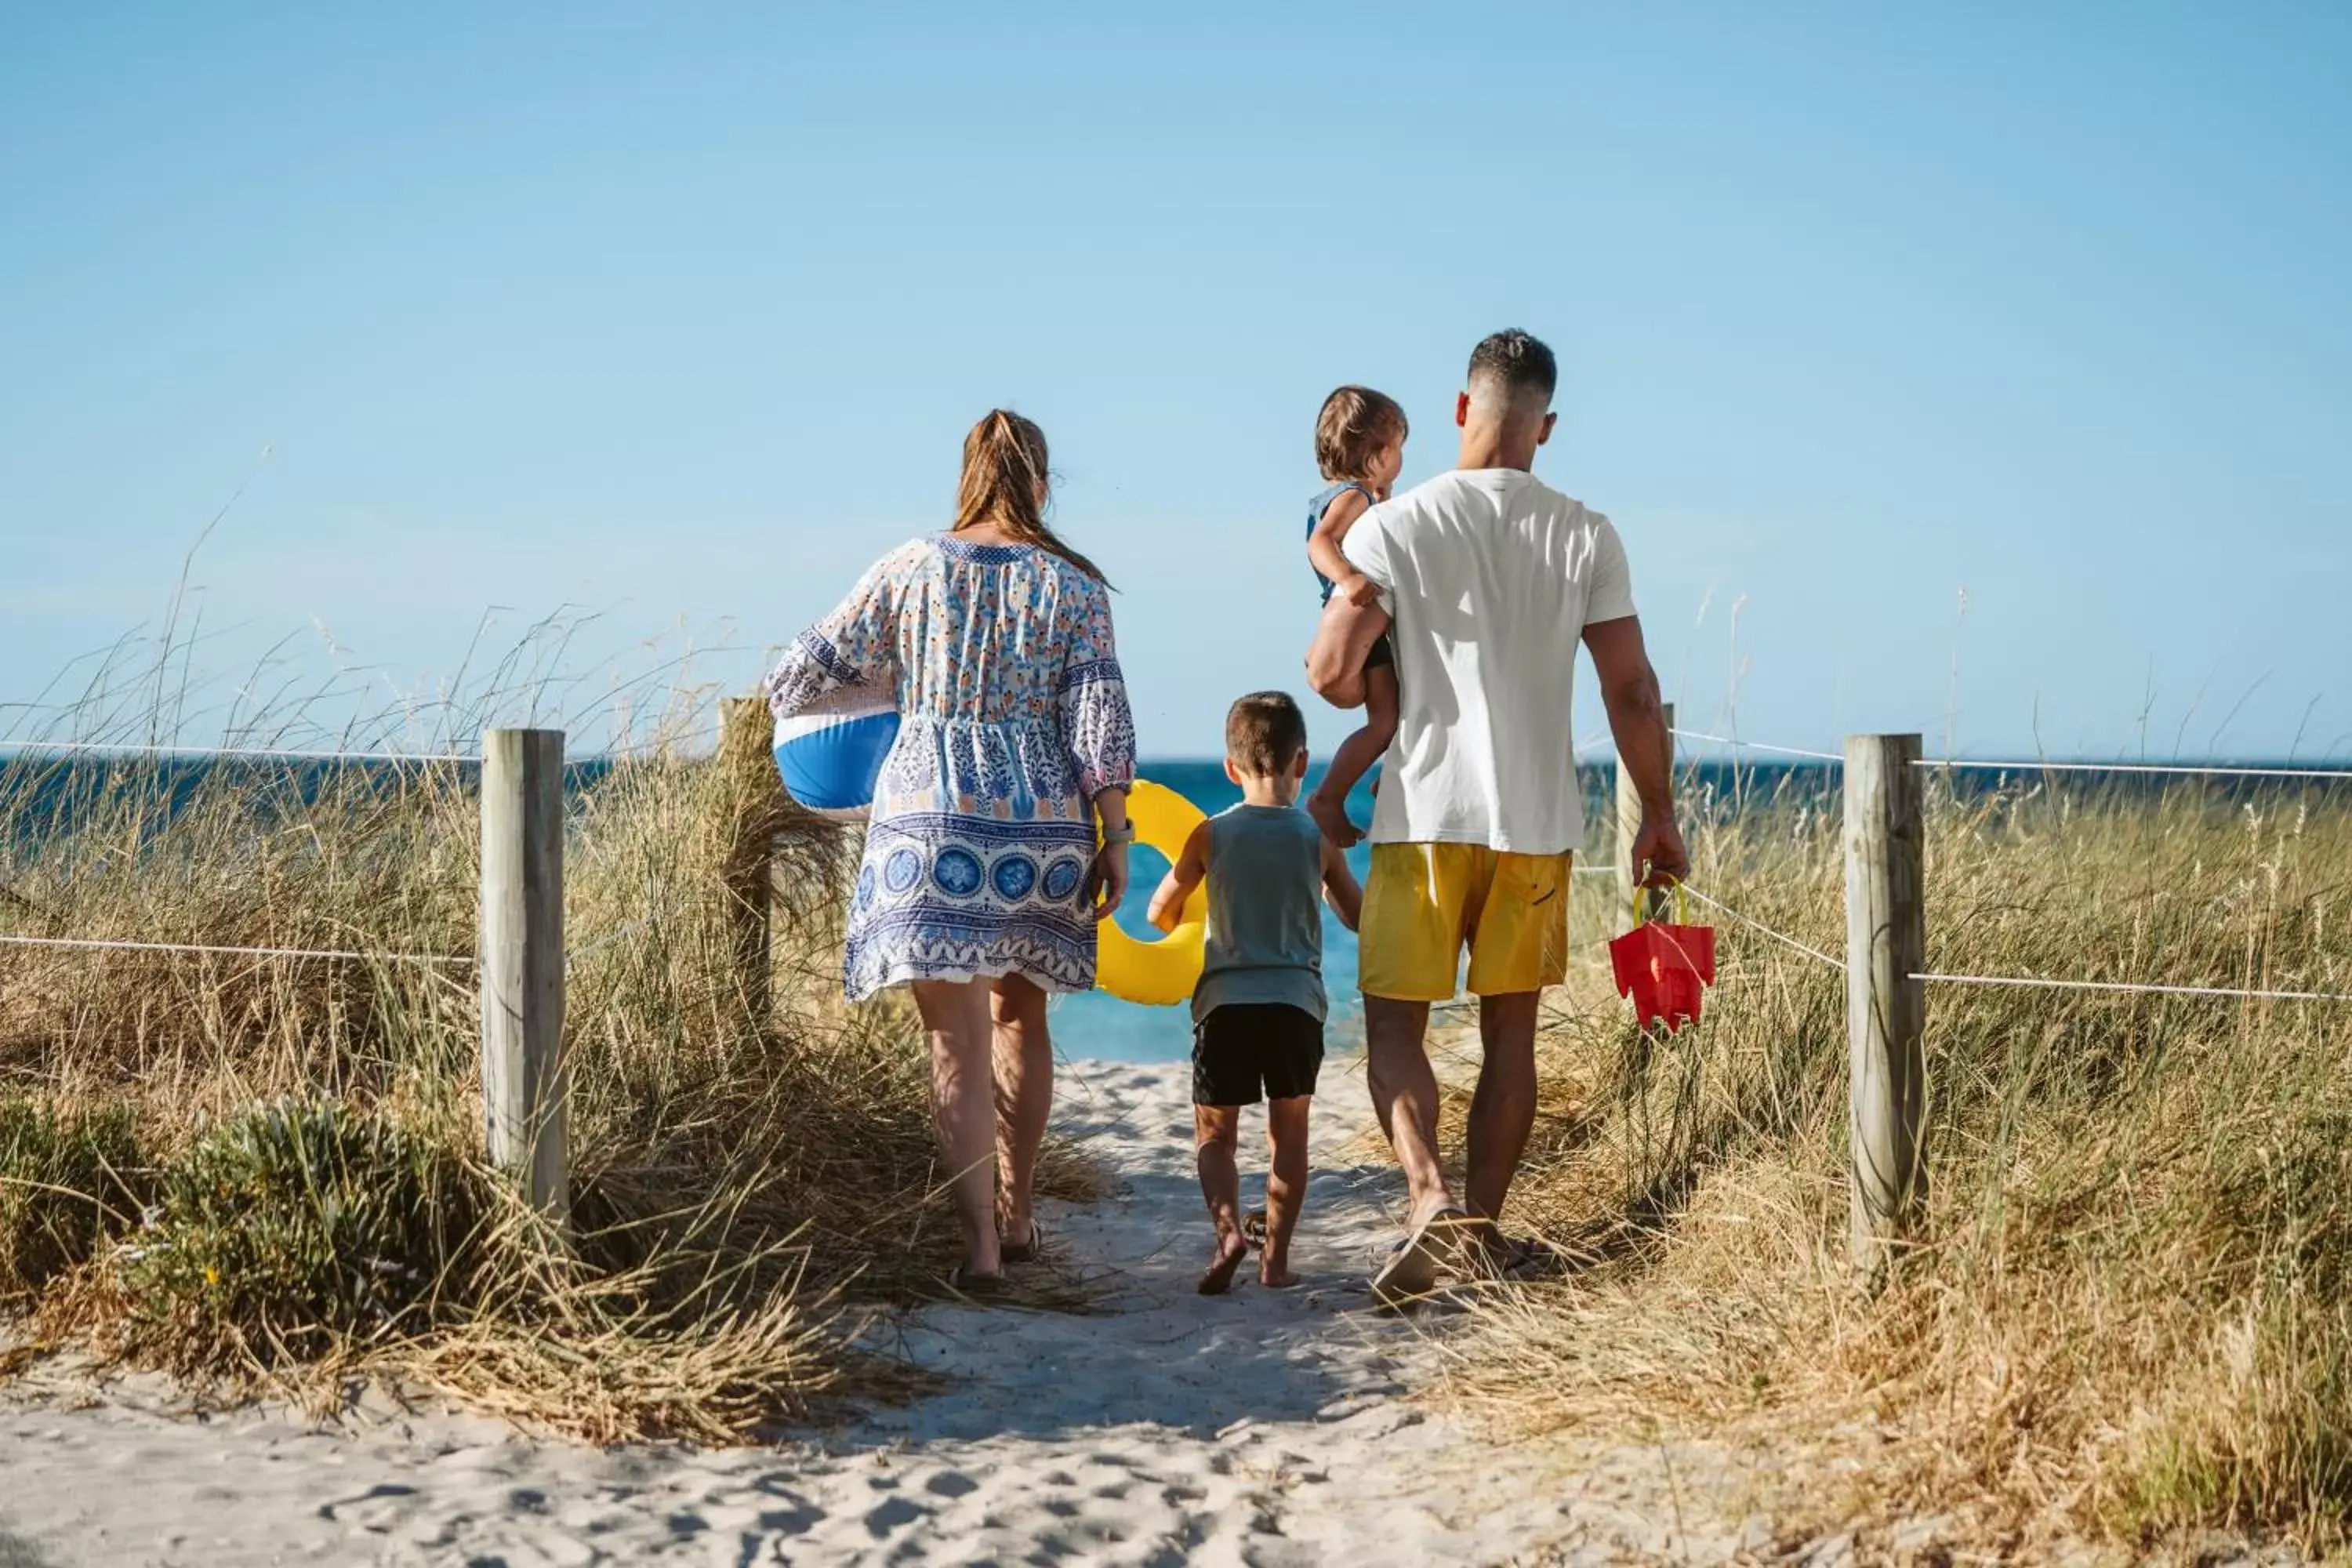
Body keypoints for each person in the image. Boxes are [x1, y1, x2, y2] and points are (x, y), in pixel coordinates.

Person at [1305, 329, 1689, 1305]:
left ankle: (1429, 1197)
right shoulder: (1586, 531)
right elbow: (1634, 691)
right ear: (1546, 427)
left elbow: (1331, 674)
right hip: (1535, 824)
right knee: (1510, 1037)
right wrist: (1659, 815)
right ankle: (1480, 1227)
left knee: (1396, 1028)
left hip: (1422, 816)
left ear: (1461, 409)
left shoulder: (1394, 525)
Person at [761, 410, 1137, 1291]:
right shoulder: (1073, 585)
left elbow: (792, 676)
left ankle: (978, 1251)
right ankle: (1018, 1211)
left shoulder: (908, 566)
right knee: (1021, 1018)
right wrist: (1114, 833)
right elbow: (1097, 720)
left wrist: (894, 685)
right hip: (1041, 822)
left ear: (965, 478)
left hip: (930, 818)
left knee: (953, 1044)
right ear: (1042, 484)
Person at [1147, 691, 1361, 1295]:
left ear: (1230, 768)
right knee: (1288, 1138)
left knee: (1215, 1137)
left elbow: (1160, 911)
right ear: (1302, 762)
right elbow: (1356, 916)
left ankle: (1228, 1234)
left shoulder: (1209, 835)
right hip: (1296, 1005)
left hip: (1225, 1007)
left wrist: (1191, 924)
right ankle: (1276, 1263)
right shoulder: (1316, 840)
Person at [1301, 387, 1409, 851]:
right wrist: (1348, 577)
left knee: (1395, 717)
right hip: (1365, 622)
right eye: (1401, 448)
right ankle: (1329, 797)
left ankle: (1388, 781)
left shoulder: (1365, 497)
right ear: (1382, 454)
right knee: (1386, 720)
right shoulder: (1353, 498)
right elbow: (1320, 543)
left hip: (1367, 625)